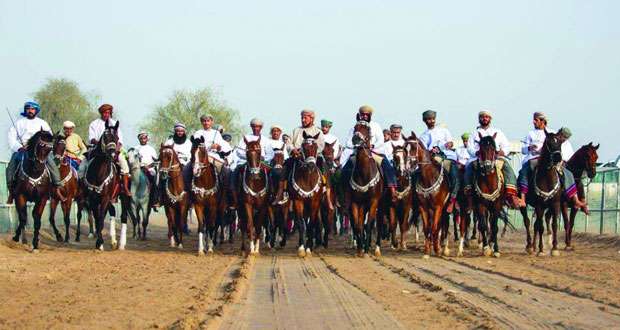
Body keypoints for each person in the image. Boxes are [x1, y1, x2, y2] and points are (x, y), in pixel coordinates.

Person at [517, 112, 587, 212]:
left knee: (568, 173)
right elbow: (523, 150)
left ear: (542, 121)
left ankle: (575, 199)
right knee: (524, 171)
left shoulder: (552, 133)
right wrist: (529, 147)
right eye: (534, 120)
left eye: (536, 120)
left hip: (550, 161)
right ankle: (523, 199)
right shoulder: (530, 134)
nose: (534, 122)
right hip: (534, 159)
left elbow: (559, 147)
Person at [6, 101, 64, 203]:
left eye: (32, 109)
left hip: (40, 150)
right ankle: (11, 191)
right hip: (22, 149)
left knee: (52, 164)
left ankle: (57, 188)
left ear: (36, 111)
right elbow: (11, 137)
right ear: (25, 110)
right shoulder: (19, 123)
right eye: (28, 109)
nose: (30, 111)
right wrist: (19, 147)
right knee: (11, 165)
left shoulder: (42, 123)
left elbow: (50, 137)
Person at [463, 110, 524, 209]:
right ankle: (469, 196)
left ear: (490, 119)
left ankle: (511, 194)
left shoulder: (498, 132)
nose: (484, 118)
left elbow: (506, 145)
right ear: (479, 119)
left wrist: (502, 152)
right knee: (468, 169)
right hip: (479, 158)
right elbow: (470, 147)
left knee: (508, 168)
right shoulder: (474, 133)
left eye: (487, 117)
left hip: (495, 158)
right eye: (482, 117)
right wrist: (476, 152)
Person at [340, 105, 398, 201]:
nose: (364, 117)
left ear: (370, 116)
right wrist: (356, 145)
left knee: (388, 167)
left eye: (367, 115)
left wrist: (373, 146)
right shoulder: (355, 127)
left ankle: (392, 190)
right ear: (359, 115)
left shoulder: (376, 126)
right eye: (362, 115)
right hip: (358, 153)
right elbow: (348, 142)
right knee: (346, 168)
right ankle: (345, 194)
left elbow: (381, 139)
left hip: (375, 152)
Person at [273, 109, 328, 206]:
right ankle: (282, 192)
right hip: (297, 156)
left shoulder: (318, 131)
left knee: (324, 167)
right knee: (285, 168)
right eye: (302, 118)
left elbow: (321, 145)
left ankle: (326, 193)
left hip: (313, 156)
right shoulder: (296, 130)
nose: (303, 120)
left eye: (305, 118)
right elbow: (289, 142)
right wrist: (293, 150)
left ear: (311, 119)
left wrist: (310, 153)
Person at [80, 104, 131, 196]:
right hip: (97, 149)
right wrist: (101, 145)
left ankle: (125, 188)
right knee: (82, 166)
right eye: (104, 113)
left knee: (124, 165)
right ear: (101, 113)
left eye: (108, 113)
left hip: (113, 149)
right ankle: (80, 190)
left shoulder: (114, 123)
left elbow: (120, 140)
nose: (106, 114)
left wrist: (117, 149)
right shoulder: (94, 124)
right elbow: (92, 138)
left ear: (110, 113)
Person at [418, 110, 459, 212]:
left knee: (454, 174)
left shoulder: (444, 131)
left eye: (432, 119)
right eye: (428, 119)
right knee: (416, 174)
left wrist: (446, 145)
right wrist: (431, 151)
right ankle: (417, 199)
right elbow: (424, 150)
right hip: (432, 158)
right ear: (424, 121)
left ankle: (453, 200)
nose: (431, 121)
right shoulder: (423, 136)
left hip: (447, 157)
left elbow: (450, 143)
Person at [163, 122, 193, 190]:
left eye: (181, 131)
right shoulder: (169, 142)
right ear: (175, 131)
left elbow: (191, 156)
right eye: (178, 131)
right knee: (161, 177)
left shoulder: (189, 143)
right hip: (171, 166)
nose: (180, 133)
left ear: (184, 132)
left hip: (186, 165)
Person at [135, 131, 159, 208]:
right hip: (138, 168)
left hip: (150, 169)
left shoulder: (151, 149)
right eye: (141, 138)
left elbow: (156, 161)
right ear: (139, 139)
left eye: (144, 138)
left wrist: (148, 167)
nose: (143, 140)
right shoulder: (136, 148)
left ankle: (155, 200)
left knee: (156, 181)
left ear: (147, 139)